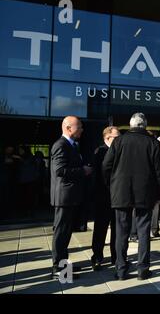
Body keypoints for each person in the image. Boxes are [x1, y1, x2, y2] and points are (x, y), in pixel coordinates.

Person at [102, 113, 160, 281]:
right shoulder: (152, 142)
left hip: (120, 192)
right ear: (145, 125)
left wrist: (112, 185)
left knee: (121, 232)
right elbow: (159, 173)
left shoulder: (118, 141)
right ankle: (143, 269)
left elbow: (106, 166)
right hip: (145, 193)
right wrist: (159, 194)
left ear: (131, 125)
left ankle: (121, 270)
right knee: (144, 231)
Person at [50, 116, 92, 278]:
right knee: (61, 233)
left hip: (70, 196)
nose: (82, 130)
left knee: (66, 233)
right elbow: (59, 171)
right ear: (68, 128)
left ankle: (64, 265)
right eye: (79, 127)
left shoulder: (72, 145)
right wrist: (83, 171)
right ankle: (58, 269)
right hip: (64, 197)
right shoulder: (61, 145)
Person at [90, 126, 120, 270]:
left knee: (117, 229)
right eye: (116, 137)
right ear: (107, 138)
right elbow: (97, 176)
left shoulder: (120, 152)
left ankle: (116, 257)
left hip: (118, 197)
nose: (119, 140)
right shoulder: (100, 151)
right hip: (103, 197)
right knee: (100, 229)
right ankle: (97, 257)